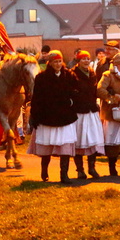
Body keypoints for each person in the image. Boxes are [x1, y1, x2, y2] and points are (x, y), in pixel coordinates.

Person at [28, 50, 78, 184]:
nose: (58, 64)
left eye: (60, 61)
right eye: (55, 61)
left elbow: (76, 92)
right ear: (50, 63)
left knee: (65, 146)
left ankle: (64, 175)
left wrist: (72, 101)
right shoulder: (41, 78)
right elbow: (37, 98)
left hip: (65, 117)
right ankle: (44, 171)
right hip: (47, 117)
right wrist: (35, 116)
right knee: (47, 147)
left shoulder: (69, 75)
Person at [69, 50, 104, 179]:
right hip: (79, 111)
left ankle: (92, 168)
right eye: (83, 59)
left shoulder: (92, 73)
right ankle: (80, 169)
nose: (86, 61)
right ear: (78, 61)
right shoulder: (73, 74)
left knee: (93, 140)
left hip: (91, 110)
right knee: (79, 141)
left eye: (88, 58)